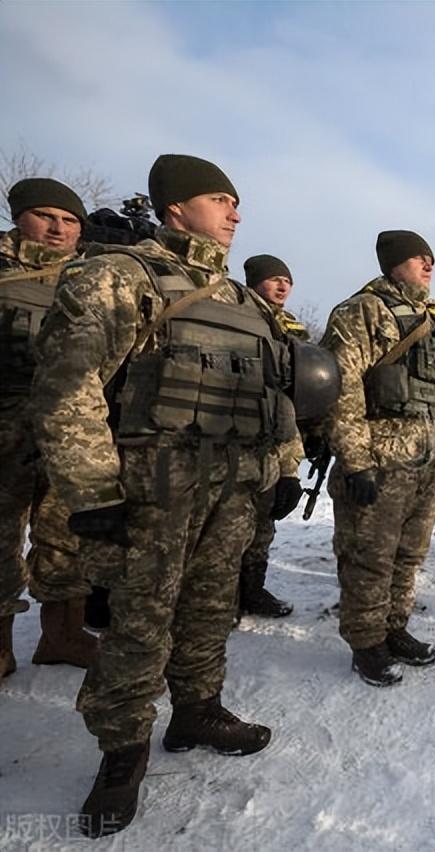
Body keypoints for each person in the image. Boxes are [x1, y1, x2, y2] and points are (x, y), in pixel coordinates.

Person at [32, 154, 312, 836]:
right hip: (150, 488)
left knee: (210, 608)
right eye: (221, 200)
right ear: (177, 208)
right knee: (138, 622)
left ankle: (197, 709)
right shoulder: (118, 277)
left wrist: (283, 466)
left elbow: (275, 397)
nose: (235, 213)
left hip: (233, 485)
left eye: (236, 203)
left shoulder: (245, 304)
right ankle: (122, 751)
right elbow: (69, 388)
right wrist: (93, 490)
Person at [321, 230, 435, 686]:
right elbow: (343, 387)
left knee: (408, 555)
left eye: (431, 257)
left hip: (425, 458)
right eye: (418, 256)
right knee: (370, 556)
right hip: (380, 457)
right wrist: (355, 460)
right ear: (394, 263)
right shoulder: (361, 311)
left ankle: (394, 626)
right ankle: (365, 640)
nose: (428, 263)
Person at [0, 177, 96, 677]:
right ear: (19, 218)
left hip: (69, 431)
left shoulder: (90, 278)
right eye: (46, 216)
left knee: (67, 533)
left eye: (69, 220)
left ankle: (62, 634)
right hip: (6, 425)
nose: (58, 228)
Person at [236, 254, 307, 618]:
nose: (282, 286)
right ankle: (223, 596)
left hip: (278, 435)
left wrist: (292, 467)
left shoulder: (292, 329)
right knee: (233, 527)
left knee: (264, 523)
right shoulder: (236, 316)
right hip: (236, 438)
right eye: (273, 279)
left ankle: (252, 589)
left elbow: (294, 397)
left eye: (287, 280)